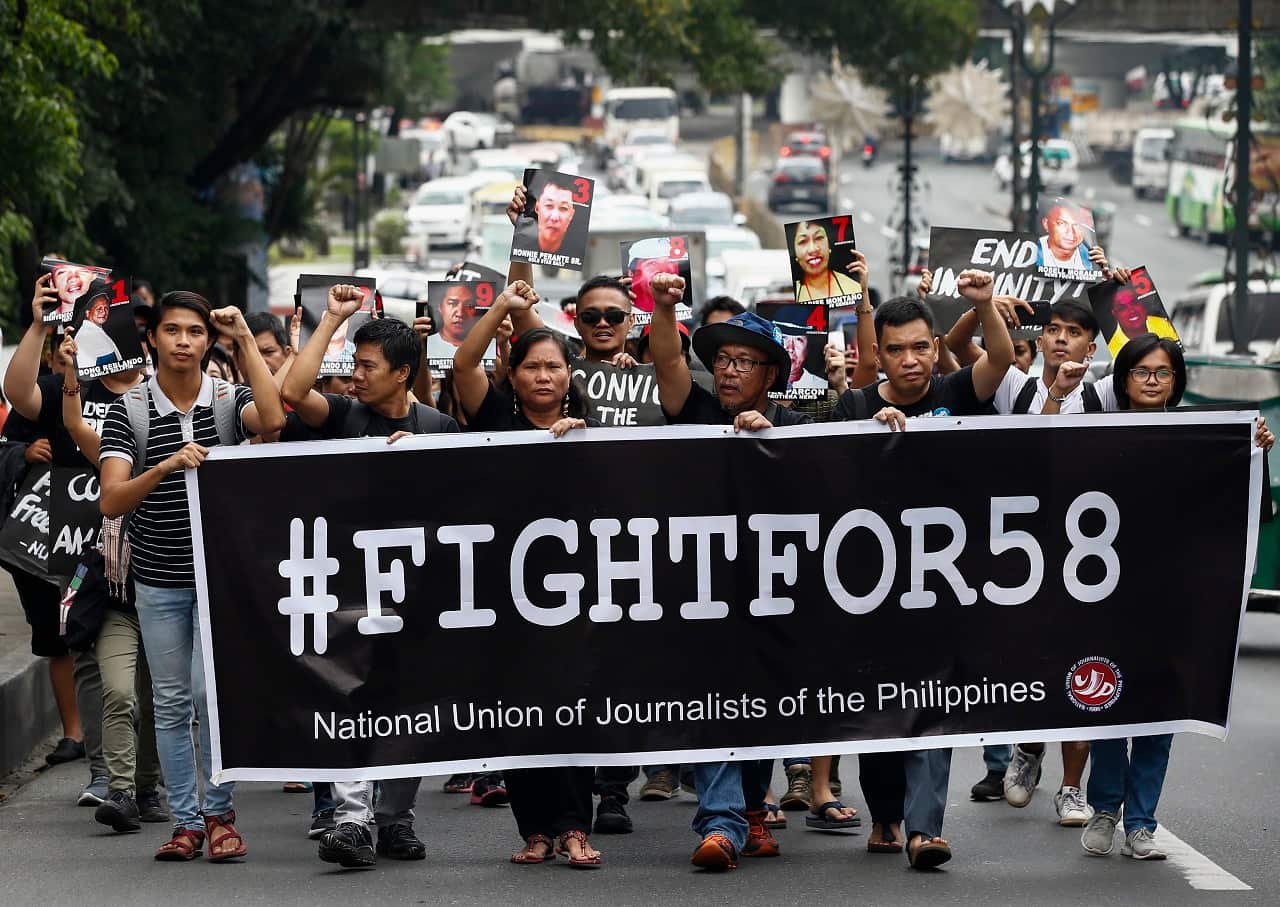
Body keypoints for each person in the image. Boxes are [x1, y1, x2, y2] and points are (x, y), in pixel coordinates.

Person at [831, 270, 1012, 870]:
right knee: (881, 711)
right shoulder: (854, 406)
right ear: (877, 354)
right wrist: (866, 438)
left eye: (920, 347)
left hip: (942, 585)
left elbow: (1002, 358)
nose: (910, 360)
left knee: (930, 705)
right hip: (872, 589)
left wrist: (982, 306)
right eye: (897, 350)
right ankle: (885, 814)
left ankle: (924, 829)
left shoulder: (958, 393)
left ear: (935, 348)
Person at [99, 291, 286, 861]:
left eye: (196, 332)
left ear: (210, 341)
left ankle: (220, 814)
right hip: (157, 577)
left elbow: (275, 419)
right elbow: (111, 500)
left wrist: (246, 338)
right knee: (173, 701)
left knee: (212, 697)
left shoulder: (229, 400)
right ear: (152, 338)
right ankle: (185, 822)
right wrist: (164, 464)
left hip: (220, 574)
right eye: (173, 330)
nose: (184, 341)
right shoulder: (128, 409)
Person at [279, 286, 457, 867]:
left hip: (419, 595)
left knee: (409, 704)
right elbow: (290, 391)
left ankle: (395, 821)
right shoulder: (340, 415)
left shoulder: (441, 429)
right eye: (353, 363)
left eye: (367, 366)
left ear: (402, 374)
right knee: (351, 698)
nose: (354, 375)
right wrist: (331, 318)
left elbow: (467, 508)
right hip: (349, 593)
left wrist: (423, 464)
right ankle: (351, 821)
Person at [1080, 332, 1274, 860]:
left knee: (1161, 712)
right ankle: (1103, 808)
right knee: (1107, 706)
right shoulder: (1095, 434)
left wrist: (1252, 456)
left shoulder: (1204, 437)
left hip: (1175, 606)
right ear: (1122, 379)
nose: (1150, 381)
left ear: (1176, 380)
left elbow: (1247, 515)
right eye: (1140, 372)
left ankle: (1140, 822)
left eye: (1161, 372)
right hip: (1108, 600)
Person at [648, 270, 810, 871]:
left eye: (746, 362)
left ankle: (748, 812)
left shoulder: (794, 429)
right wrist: (665, 309)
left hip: (770, 596)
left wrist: (777, 449)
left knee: (759, 706)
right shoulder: (693, 408)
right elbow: (667, 361)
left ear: (772, 376)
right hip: (702, 594)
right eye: (724, 360)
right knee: (715, 700)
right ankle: (720, 823)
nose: (731, 370)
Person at [451, 279, 604, 869]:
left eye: (553, 367)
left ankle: (573, 827)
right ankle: (535, 828)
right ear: (512, 378)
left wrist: (583, 448)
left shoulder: (595, 434)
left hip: (574, 595)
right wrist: (503, 310)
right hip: (505, 593)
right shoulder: (494, 420)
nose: (543, 376)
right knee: (518, 710)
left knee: (570, 709)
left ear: (570, 377)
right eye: (531, 367)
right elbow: (465, 361)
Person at [4, 274, 154, 807]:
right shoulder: (72, 385)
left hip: (148, 545)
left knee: (147, 673)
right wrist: (40, 323)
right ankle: (103, 770)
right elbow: (17, 394)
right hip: (78, 545)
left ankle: (146, 779)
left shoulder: (154, 393)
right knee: (87, 652)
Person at [57, 329, 167, 832]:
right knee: (121, 693)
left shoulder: (188, 451)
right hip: (117, 597)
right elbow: (75, 423)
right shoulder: (113, 450)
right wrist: (72, 377)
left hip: (169, 592)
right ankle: (120, 790)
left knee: (158, 699)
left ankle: (149, 788)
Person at [791, 219, 862, 302]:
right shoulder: (787, 295)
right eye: (803, 241)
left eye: (819, 238)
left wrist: (864, 292)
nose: (813, 249)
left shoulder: (853, 288)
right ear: (794, 253)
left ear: (829, 246)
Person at [1104, 285, 1178, 357]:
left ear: (1142, 303)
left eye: (1134, 303)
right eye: (1122, 308)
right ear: (1115, 313)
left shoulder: (1164, 324)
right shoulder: (1114, 348)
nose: (1132, 310)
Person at [425, 283, 481, 360]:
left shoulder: (486, 345)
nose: (460, 313)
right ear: (440, 307)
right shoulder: (426, 344)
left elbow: (501, 370)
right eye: (452, 303)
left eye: (469, 305)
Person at [1036, 201, 1095, 270]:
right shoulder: (1031, 253)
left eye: (1078, 225)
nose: (1070, 232)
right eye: (1061, 223)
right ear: (1046, 224)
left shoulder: (1091, 259)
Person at [74, 287, 124, 369]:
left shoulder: (95, 330)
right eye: (99, 309)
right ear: (87, 313)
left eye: (106, 308)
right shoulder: (87, 334)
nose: (104, 312)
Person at [528, 172, 577, 254]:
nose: (554, 217)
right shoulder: (523, 244)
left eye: (563, 208)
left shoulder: (576, 252)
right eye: (549, 205)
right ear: (537, 208)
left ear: (571, 215)